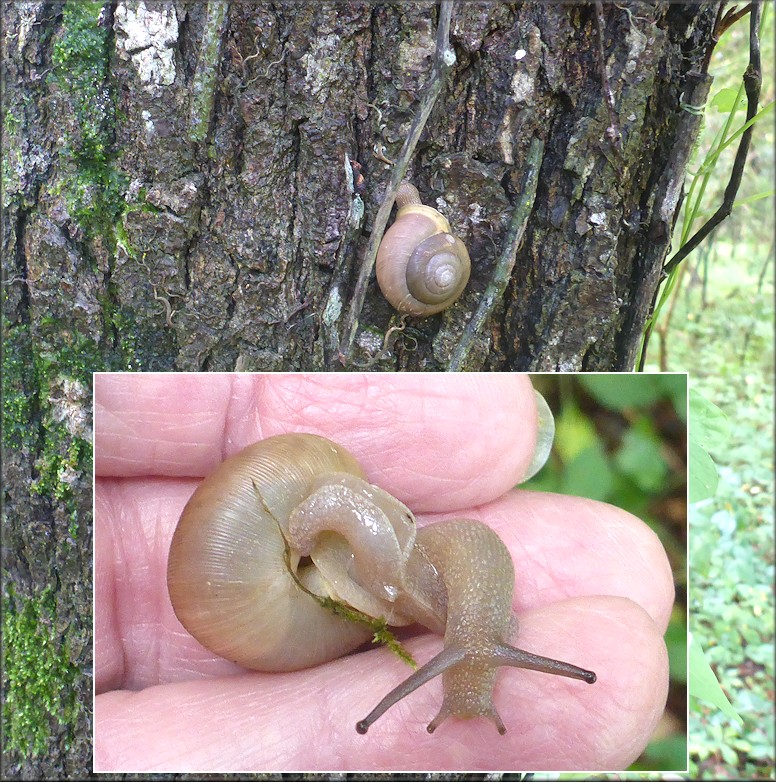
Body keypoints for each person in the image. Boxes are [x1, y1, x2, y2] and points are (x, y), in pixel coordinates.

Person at [93, 372, 672, 772]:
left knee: (452, 571)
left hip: (305, 555)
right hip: (275, 584)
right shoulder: (283, 574)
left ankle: (470, 647)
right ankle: (464, 644)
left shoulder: (323, 499)